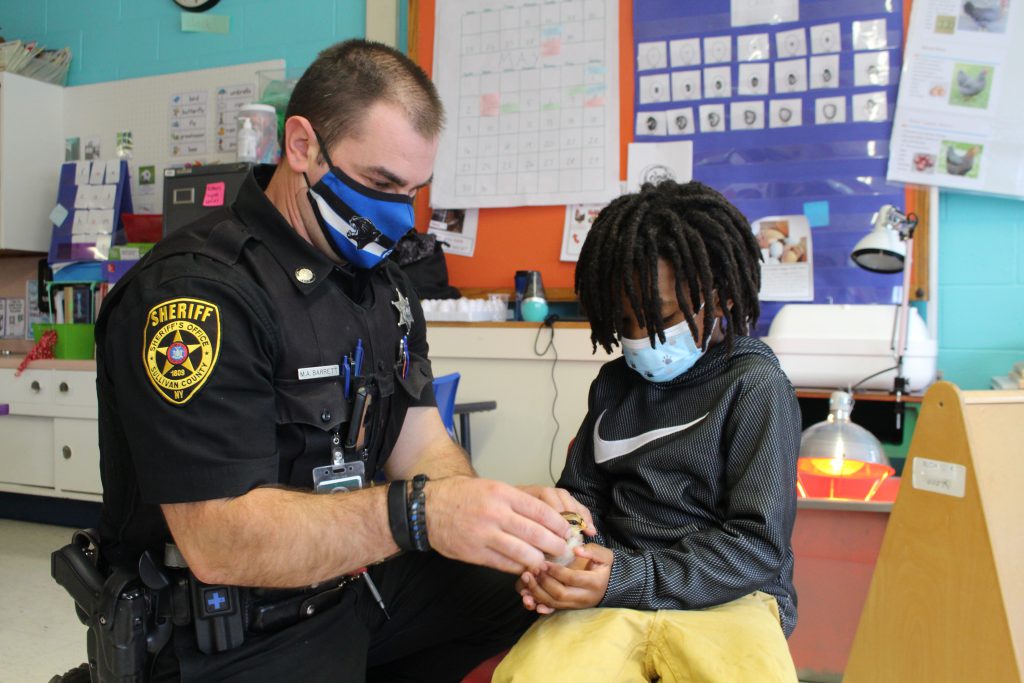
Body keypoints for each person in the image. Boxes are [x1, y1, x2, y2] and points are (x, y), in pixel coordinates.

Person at [82, 40, 590, 682]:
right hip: (231, 628)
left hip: (355, 587)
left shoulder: (385, 284)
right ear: (302, 147)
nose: (399, 217)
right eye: (378, 184)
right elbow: (220, 540)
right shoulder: (197, 296)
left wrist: (506, 521)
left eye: (413, 191)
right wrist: (423, 515)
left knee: (530, 603)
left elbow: (421, 445)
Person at [494, 180, 801, 682]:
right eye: (625, 322)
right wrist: (560, 551)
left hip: (727, 596)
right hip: (614, 588)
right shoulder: (613, 386)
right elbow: (582, 497)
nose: (639, 340)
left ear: (719, 297)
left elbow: (757, 548)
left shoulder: (755, 386)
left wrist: (625, 578)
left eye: (660, 319)